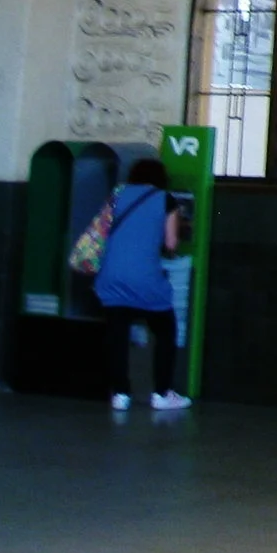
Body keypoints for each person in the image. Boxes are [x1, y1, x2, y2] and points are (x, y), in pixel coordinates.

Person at [95, 157, 189, 413]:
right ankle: (161, 393)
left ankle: (121, 394)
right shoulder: (165, 199)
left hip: (111, 275)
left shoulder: (118, 194)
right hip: (144, 278)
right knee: (165, 330)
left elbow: (103, 230)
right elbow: (171, 244)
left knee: (117, 334)